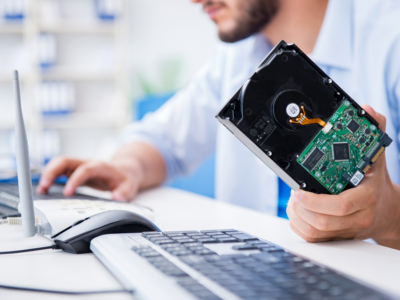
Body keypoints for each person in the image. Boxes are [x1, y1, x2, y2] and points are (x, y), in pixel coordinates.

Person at [37, 0, 400, 249]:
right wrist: (124, 167)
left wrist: (387, 218)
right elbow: (164, 140)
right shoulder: (236, 57)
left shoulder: (390, 39)